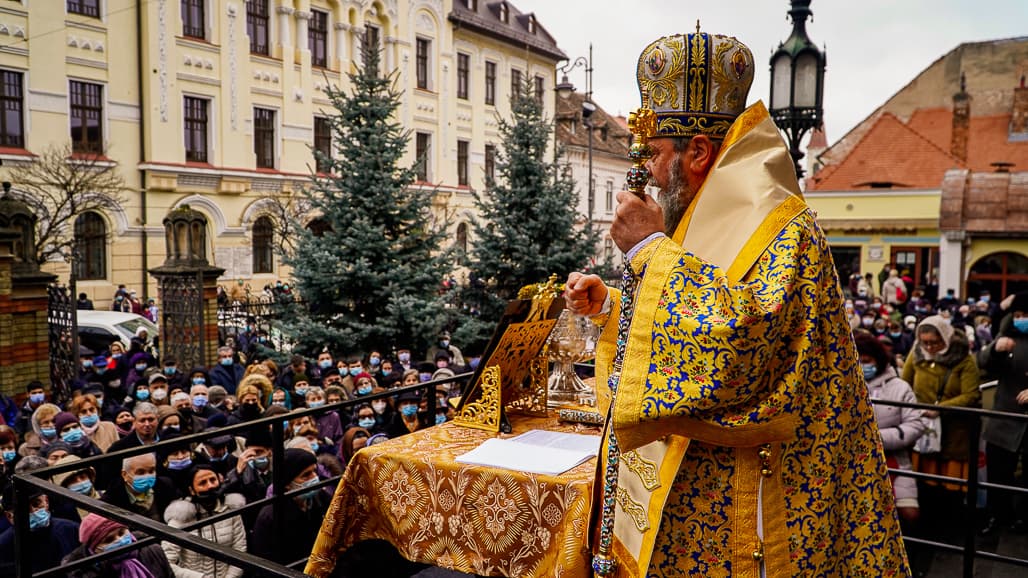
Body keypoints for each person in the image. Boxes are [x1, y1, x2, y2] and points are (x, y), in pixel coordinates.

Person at [562, 31, 907, 576]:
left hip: (758, 500)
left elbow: (741, 347)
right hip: (691, 492)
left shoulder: (782, 226)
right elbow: (689, 317)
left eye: (654, 155)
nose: (646, 173)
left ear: (698, 152)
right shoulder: (698, 212)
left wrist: (652, 252)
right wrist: (611, 308)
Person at [854, 332, 925, 531]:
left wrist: (878, 438)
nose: (862, 365)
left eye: (866, 361)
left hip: (894, 458)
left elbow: (915, 425)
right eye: (857, 360)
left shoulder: (900, 387)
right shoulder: (843, 386)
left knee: (909, 514)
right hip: (856, 460)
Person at [977, 293, 1028, 535]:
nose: (1021, 320)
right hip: (1004, 416)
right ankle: (999, 516)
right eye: (1017, 315)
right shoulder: (1007, 336)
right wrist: (995, 350)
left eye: (1025, 315)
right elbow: (983, 362)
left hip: (1024, 421)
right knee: (999, 471)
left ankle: (1024, 518)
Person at [163, 465, 247, 578]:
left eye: (213, 480)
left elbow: (240, 551)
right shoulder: (181, 516)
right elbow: (167, 562)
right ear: (191, 490)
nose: (210, 486)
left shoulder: (230, 509)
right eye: (202, 483)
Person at [249, 448, 328, 564]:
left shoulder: (320, 497)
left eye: (314, 471)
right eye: (306, 475)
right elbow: (266, 560)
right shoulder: (271, 516)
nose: (314, 478)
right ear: (287, 484)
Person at [63, 513, 177, 578]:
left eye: (121, 533)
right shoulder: (85, 574)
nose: (120, 540)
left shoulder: (151, 549)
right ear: (94, 549)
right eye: (109, 540)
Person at [0, 491, 80, 576]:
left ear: (46, 501)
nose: (33, 511)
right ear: (9, 516)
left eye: (36, 503)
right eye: (23, 508)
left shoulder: (71, 529)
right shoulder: (3, 547)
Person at [101, 453, 176, 522]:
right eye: (140, 472)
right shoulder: (110, 501)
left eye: (151, 471)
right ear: (124, 475)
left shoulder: (166, 485)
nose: (147, 476)